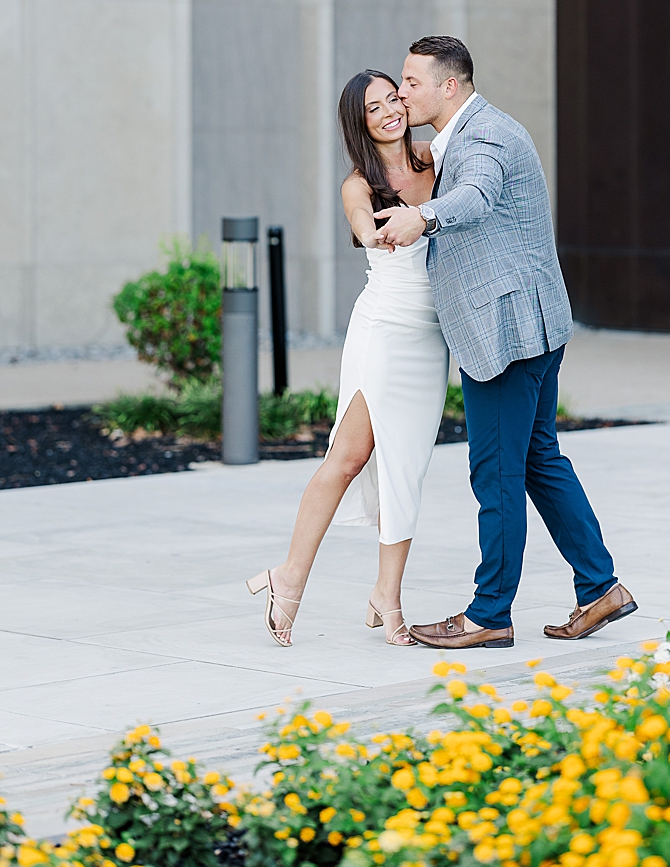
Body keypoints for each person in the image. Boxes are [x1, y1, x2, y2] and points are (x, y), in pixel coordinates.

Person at [374, 35, 637, 648]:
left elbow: (476, 195)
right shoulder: (464, 135)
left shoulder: (485, 137)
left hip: (507, 332)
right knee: (538, 459)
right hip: (531, 326)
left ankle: (489, 612)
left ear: (450, 86)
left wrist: (425, 217)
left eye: (412, 82)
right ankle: (600, 587)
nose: (403, 91)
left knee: (496, 471)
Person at [247, 69, 449, 647]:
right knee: (349, 456)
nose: (389, 110)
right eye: (374, 107)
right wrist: (380, 232)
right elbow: (363, 225)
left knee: (405, 466)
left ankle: (387, 596)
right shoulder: (358, 184)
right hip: (384, 328)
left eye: (394, 98)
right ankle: (288, 580)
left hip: (431, 336)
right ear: (359, 123)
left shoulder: (436, 158)